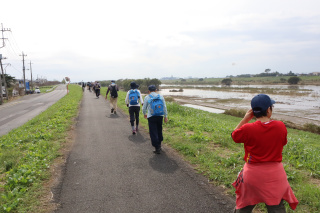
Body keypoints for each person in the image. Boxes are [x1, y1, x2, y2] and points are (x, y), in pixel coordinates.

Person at [231, 94, 298, 213]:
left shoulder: (247, 128)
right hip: (275, 175)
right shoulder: (280, 126)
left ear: (253, 112)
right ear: (268, 110)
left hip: (252, 175)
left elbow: (234, 136)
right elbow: (283, 142)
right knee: (276, 207)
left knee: (244, 206)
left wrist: (246, 118)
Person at [142, 85, 168, 154]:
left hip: (151, 117)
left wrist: (144, 113)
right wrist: (165, 116)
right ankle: (159, 144)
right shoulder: (161, 96)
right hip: (160, 115)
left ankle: (157, 147)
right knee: (159, 130)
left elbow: (144, 107)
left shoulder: (147, 97)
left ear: (148, 91)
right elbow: (164, 107)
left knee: (153, 132)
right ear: (156, 90)